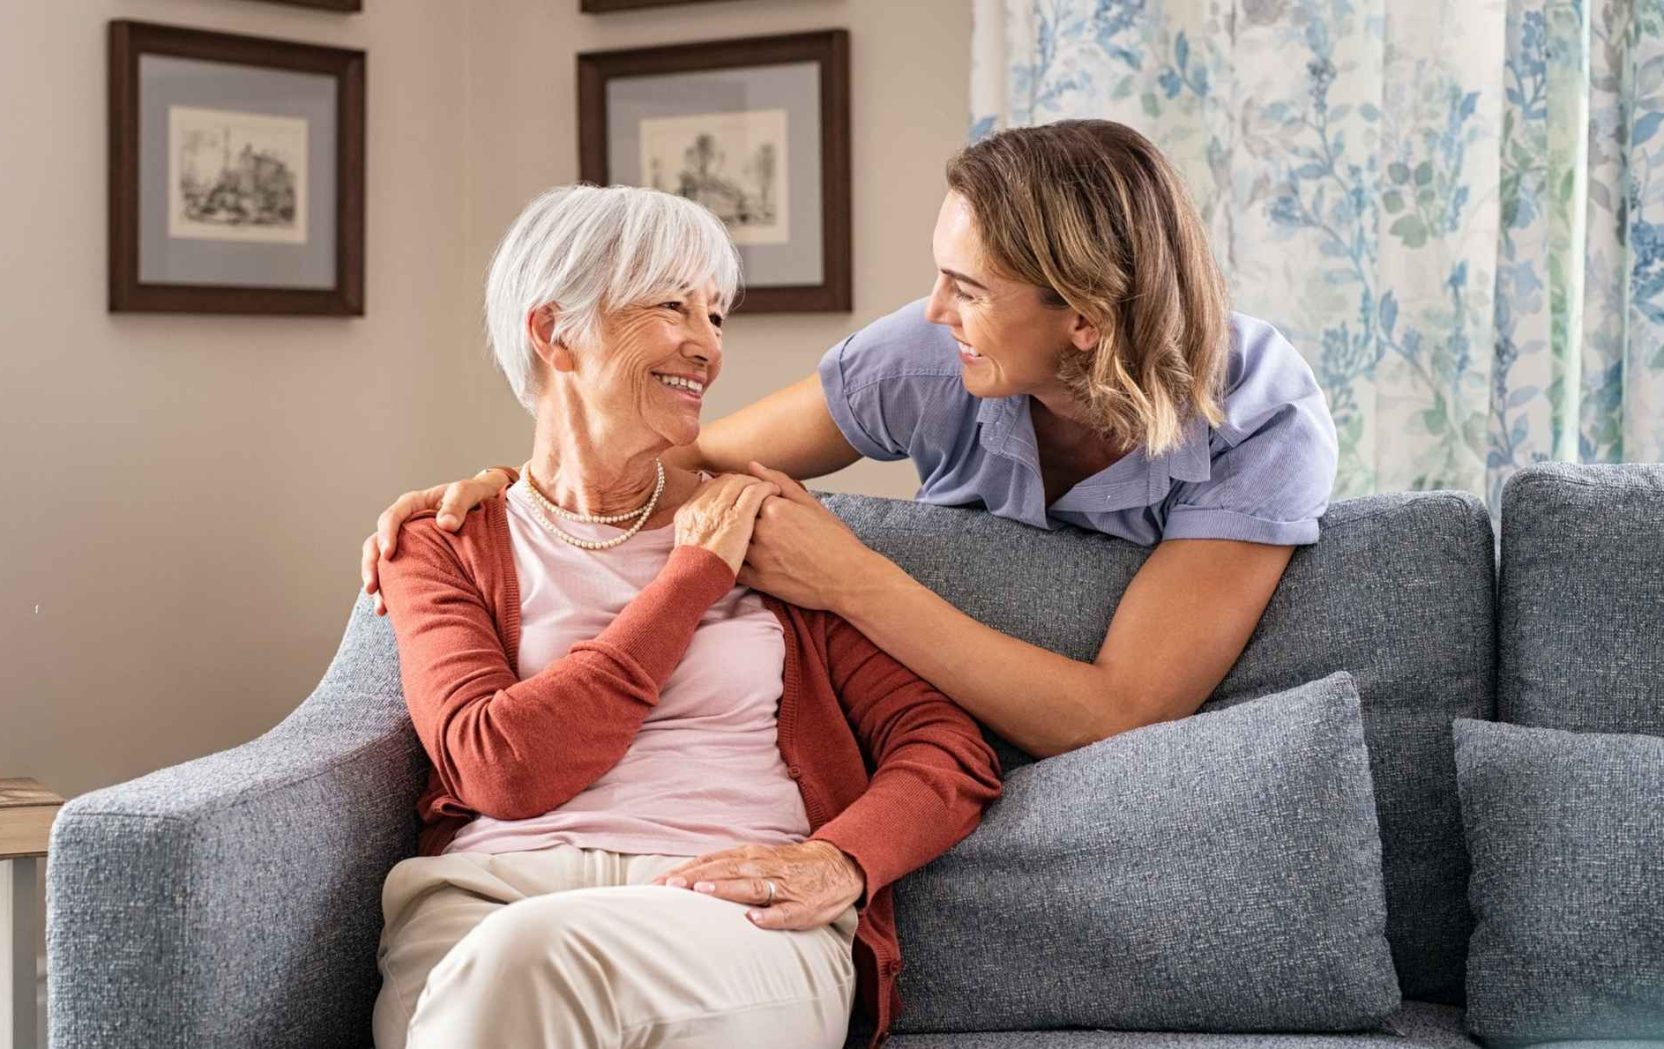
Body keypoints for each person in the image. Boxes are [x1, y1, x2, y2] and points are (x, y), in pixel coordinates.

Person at [363, 119, 1338, 761]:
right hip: (928, 736)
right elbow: (678, 464)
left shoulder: (1256, 412)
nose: (930, 308)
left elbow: (1122, 714)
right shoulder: (925, 355)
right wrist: (516, 486)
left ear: (1081, 318)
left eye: (968, 288)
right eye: (937, 273)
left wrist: (848, 576)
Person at [371, 184, 1002, 1049]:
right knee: (504, 965)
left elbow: (948, 748)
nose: (706, 346)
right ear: (553, 333)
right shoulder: (442, 540)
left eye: (716, 315)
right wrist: (690, 581)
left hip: (726, 913)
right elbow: (499, 768)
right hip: (488, 901)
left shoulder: (770, 532)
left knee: (522, 968)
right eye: (673, 306)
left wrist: (840, 861)